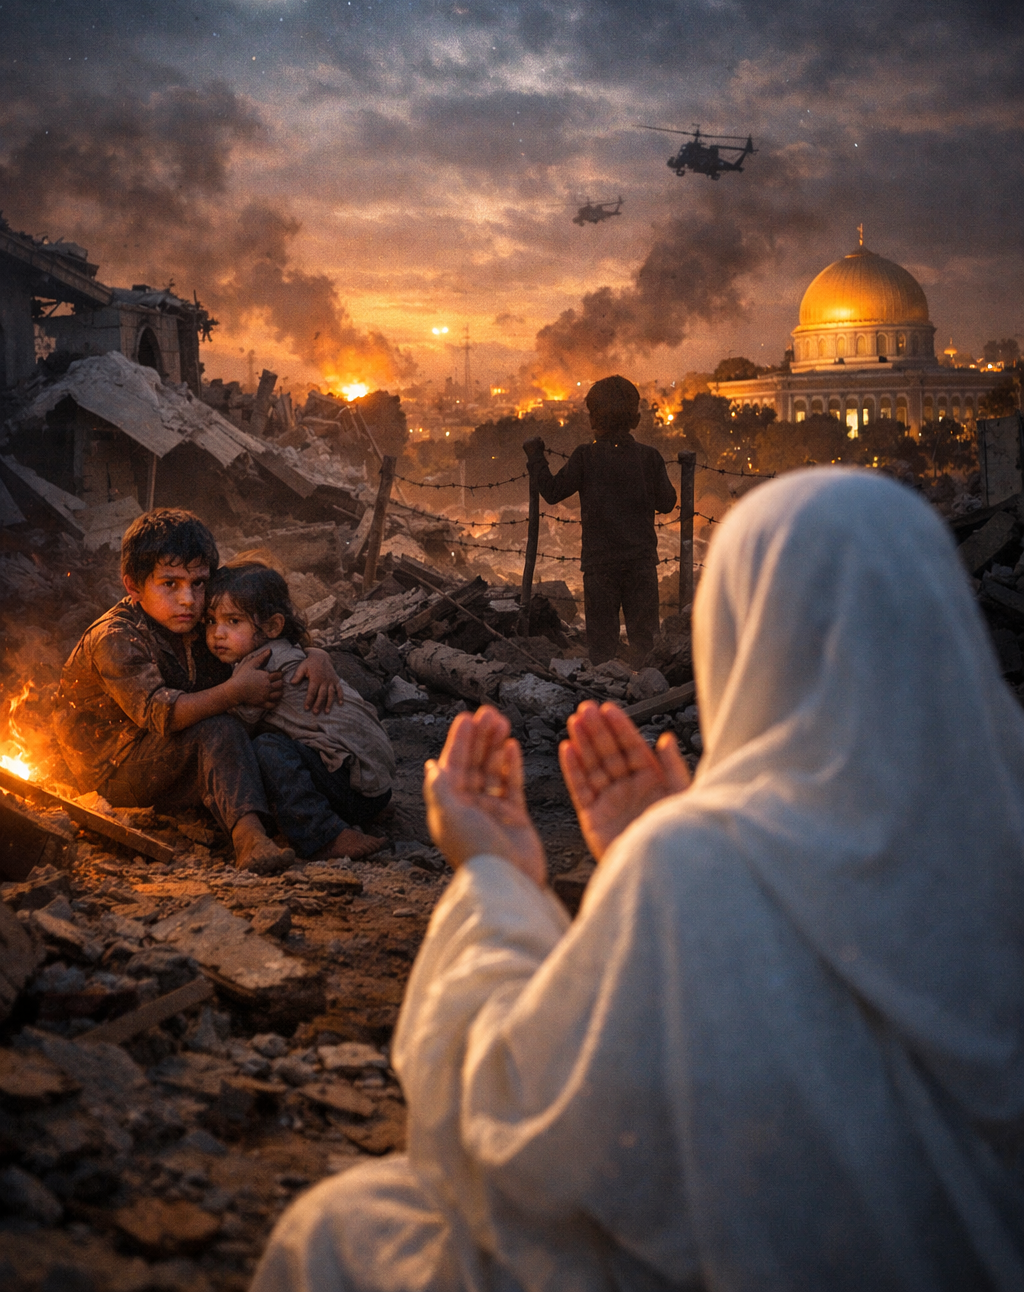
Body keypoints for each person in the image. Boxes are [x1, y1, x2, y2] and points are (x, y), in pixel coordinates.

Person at [253, 468, 1024, 1292]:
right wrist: (647, 864)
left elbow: (522, 1135)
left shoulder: (699, 866)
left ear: (740, 638)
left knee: (333, 1229)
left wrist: (497, 878)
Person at [53, 509, 343, 876]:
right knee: (221, 729)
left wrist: (315, 656)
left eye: (199, 583)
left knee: (268, 725)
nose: (188, 599)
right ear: (133, 586)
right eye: (170, 584)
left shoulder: (203, 626)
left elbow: (265, 639)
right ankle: (249, 838)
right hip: (115, 769)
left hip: (178, 751)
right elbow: (163, 714)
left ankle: (339, 805)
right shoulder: (115, 638)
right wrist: (233, 692)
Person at [205, 561, 396, 862]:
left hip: (356, 791)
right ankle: (364, 807)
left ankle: (325, 835)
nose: (218, 633)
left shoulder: (261, 668)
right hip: (378, 788)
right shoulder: (292, 652)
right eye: (211, 622)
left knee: (266, 749)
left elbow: (235, 737)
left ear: (272, 626)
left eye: (232, 621)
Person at [523, 375, 676, 666]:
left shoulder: (585, 456)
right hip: (641, 564)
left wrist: (536, 458)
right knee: (645, 641)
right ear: (636, 418)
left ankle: (604, 699)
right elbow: (668, 503)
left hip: (599, 566)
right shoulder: (649, 458)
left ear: (594, 419)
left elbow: (553, 492)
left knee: (602, 646)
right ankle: (645, 698)